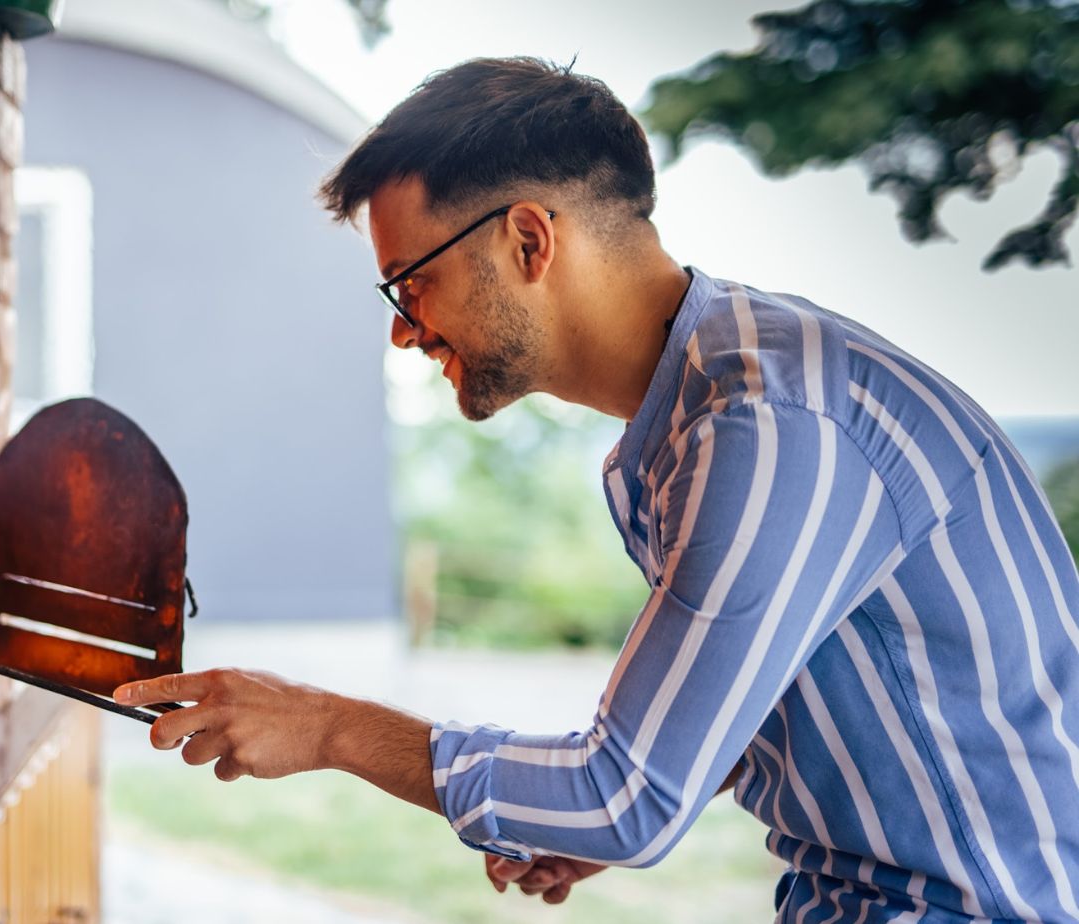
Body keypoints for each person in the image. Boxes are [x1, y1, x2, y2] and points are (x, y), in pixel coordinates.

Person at [112, 57, 1079, 922]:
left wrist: (326, 726)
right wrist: (606, 806)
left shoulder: (769, 425)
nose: (403, 332)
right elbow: (764, 695)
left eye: (409, 285)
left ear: (529, 241)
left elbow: (627, 797)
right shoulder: (679, 428)